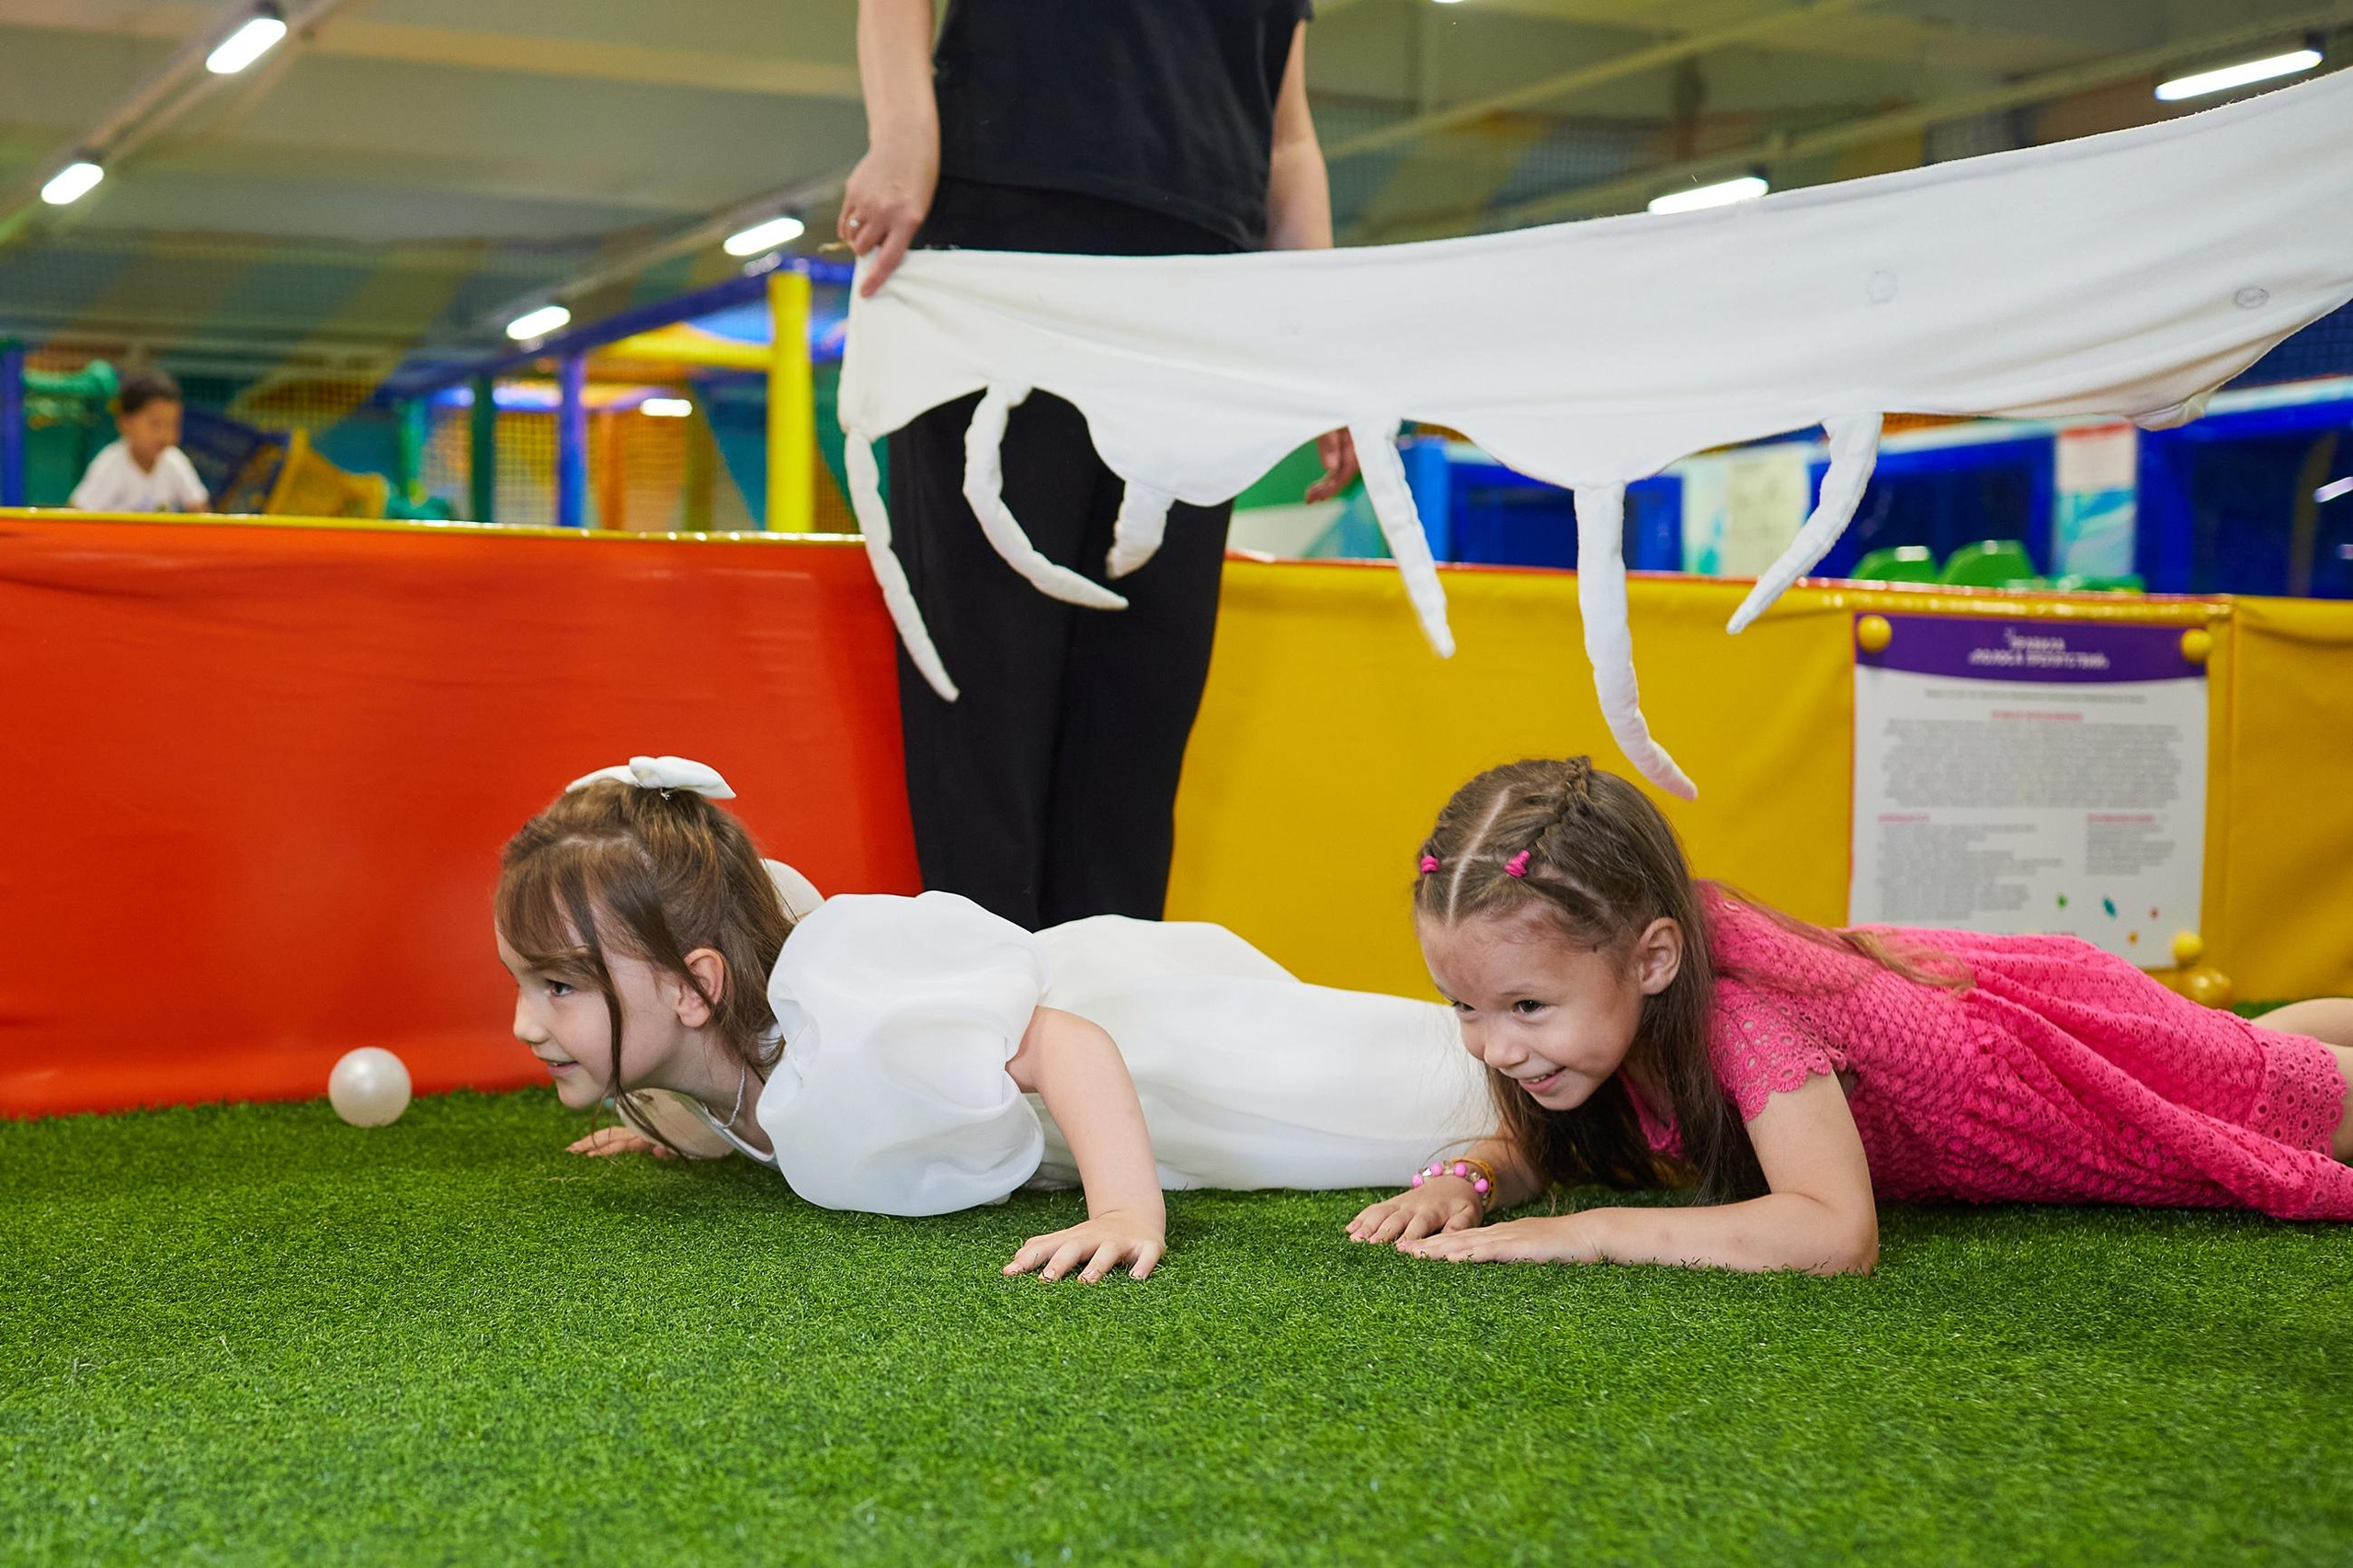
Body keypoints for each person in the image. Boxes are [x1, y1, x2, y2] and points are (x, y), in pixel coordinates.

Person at [495, 756, 1486, 1283]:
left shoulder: (846, 1009)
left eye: (559, 988)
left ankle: (1604, 1055)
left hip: (1151, 1053)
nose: (524, 1023)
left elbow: (1066, 1041)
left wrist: (1124, 1209)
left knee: (1432, 1086)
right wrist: (661, 1123)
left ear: (693, 987)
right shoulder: (694, 1069)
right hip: (1091, 1089)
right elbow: (740, 1099)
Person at [1347, 757, 2353, 1273]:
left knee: (2285, 1096)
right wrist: (1470, 1174)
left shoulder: (1741, 1023)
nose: (1497, 1044)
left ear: (1651, 957)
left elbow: (1834, 1232)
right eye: (1466, 1007)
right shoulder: (1606, 1019)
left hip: (2036, 1085)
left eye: (1525, 1004)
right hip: (1998, 1003)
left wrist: (1594, 1233)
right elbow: (1539, 1145)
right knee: (2247, 1052)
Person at [839, 0, 1356, 931]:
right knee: (986, 691)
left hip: (1200, 301)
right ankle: (988, 1019)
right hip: (1005, 246)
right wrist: (904, 131)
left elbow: (1286, 136)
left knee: (1141, 705)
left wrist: (1314, 338)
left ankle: (1108, 1020)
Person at [69, 369, 209, 514]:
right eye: (155, 424)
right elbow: (78, 512)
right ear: (126, 422)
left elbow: (200, 511)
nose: (165, 435)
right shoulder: (111, 464)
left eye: (172, 424)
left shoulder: (174, 461)